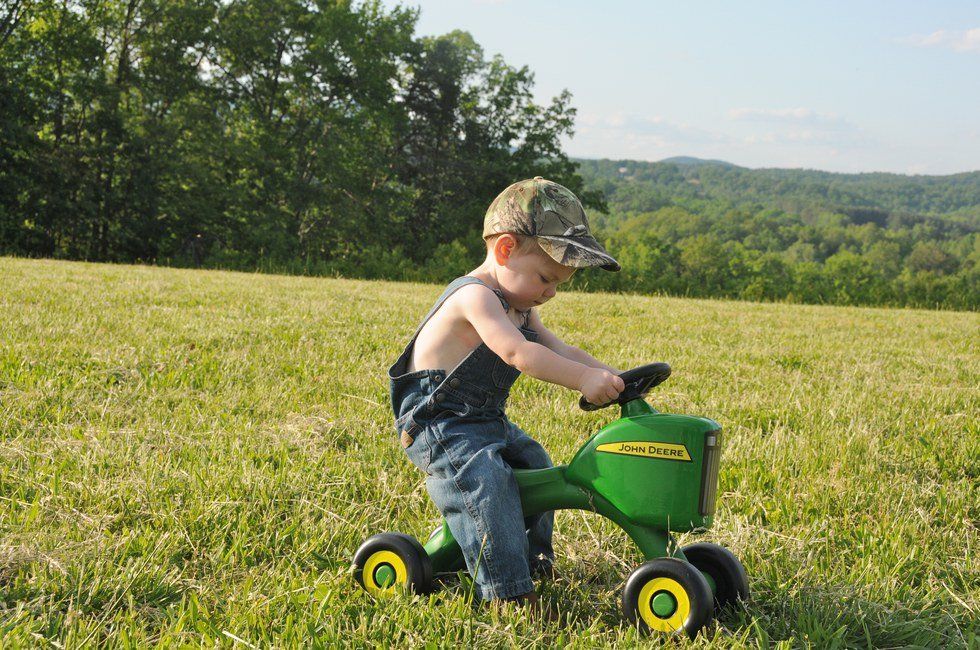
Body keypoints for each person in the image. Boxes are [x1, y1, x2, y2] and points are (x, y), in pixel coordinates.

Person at [387, 176, 625, 604]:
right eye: (545, 278)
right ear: (505, 249)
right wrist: (582, 381)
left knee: (535, 462)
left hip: (484, 421)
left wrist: (613, 376)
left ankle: (532, 560)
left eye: (558, 284)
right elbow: (518, 353)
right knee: (488, 483)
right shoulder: (474, 298)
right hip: (440, 425)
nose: (550, 292)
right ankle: (507, 593)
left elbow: (560, 348)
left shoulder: (519, 305)